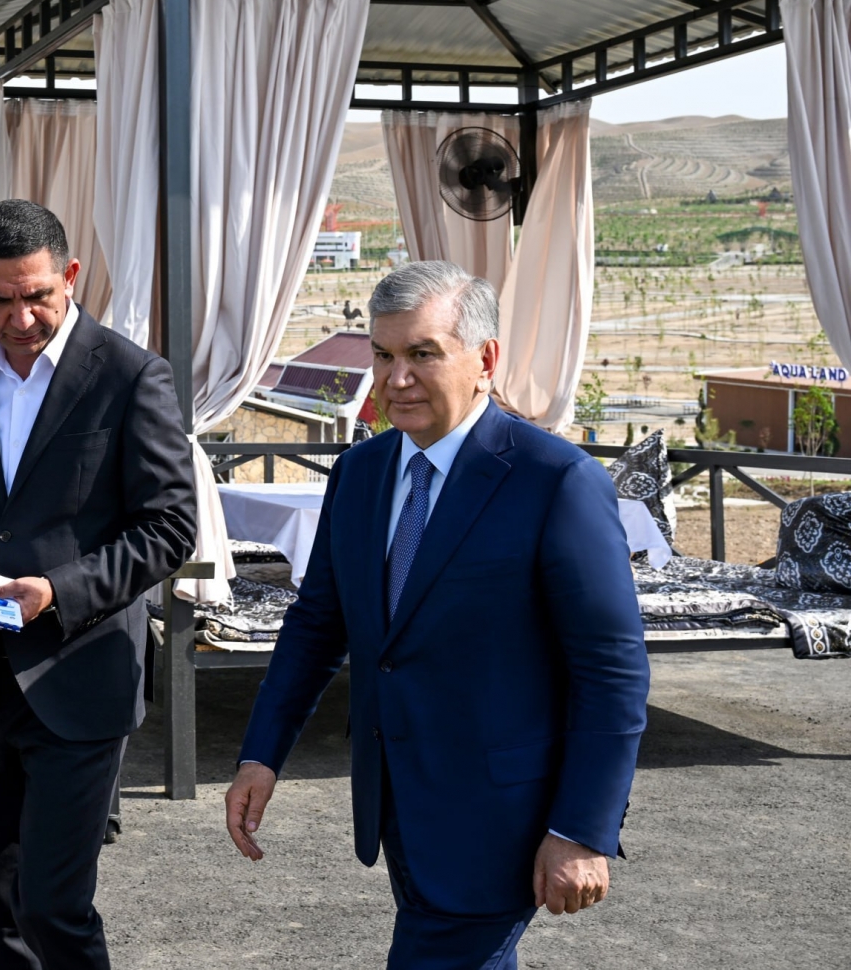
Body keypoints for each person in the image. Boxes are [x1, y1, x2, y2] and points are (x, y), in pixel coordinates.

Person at [225, 259, 650, 969]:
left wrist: (583, 829)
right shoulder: (360, 473)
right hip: (396, 804)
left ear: (485, 360)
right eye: (383, 355)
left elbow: (611, 671)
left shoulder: (556, 481)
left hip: (503, 818)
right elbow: (318, 624)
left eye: (423, 354)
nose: (396, 379)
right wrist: (261, 753)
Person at [0, 198, 198, 970]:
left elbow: (171, 527)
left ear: (70, 275)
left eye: (37, 295)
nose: (21, 317)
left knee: (52, 908)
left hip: (80, 677)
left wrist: (58, 591)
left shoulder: (132, 376)